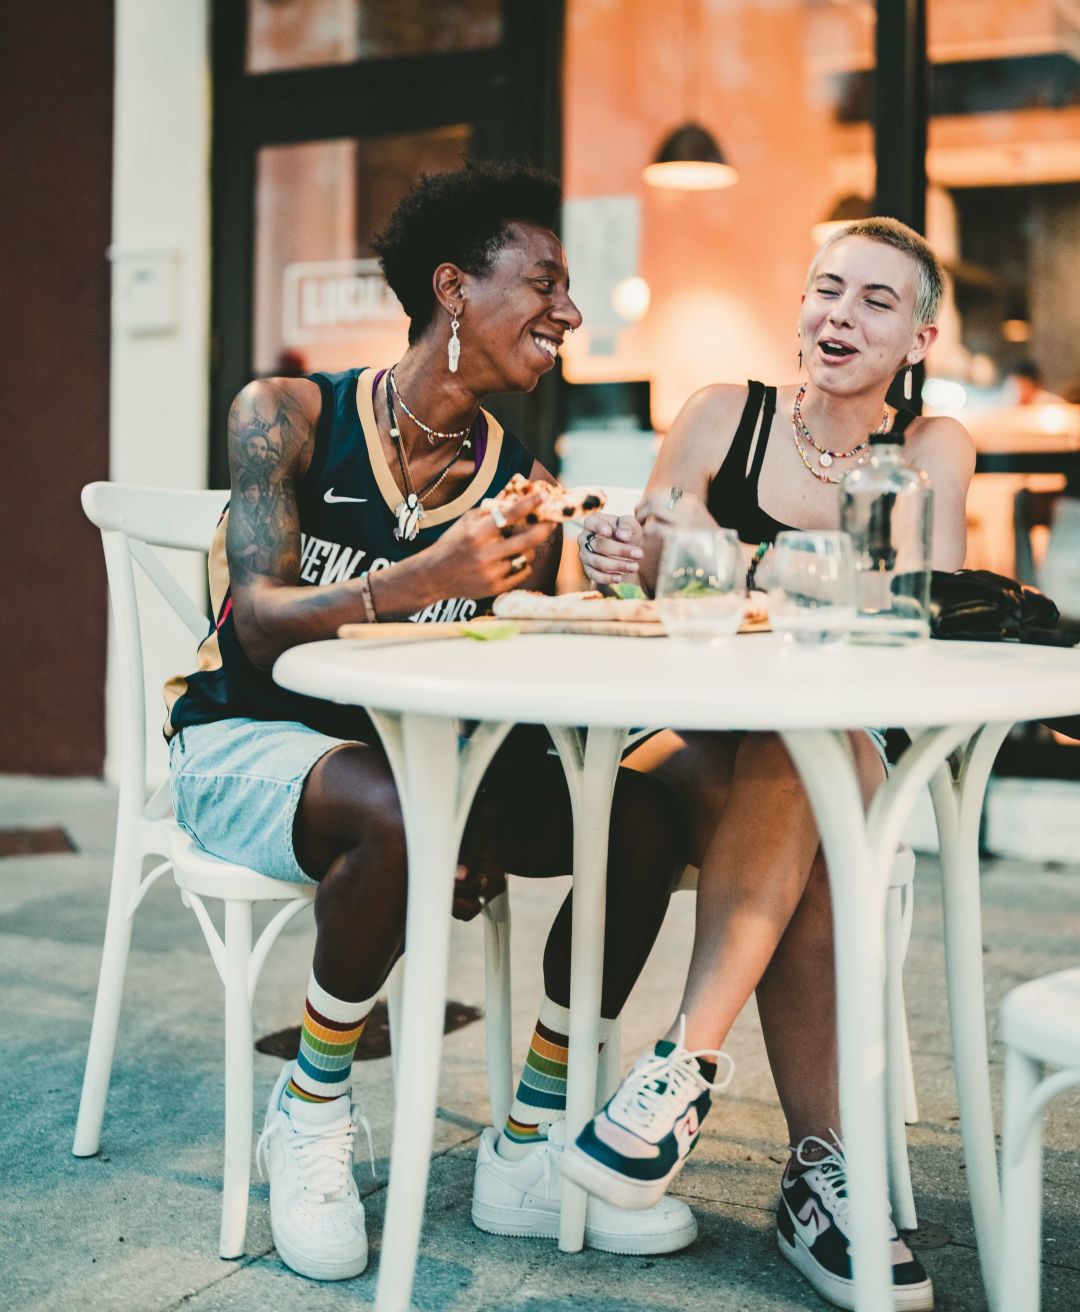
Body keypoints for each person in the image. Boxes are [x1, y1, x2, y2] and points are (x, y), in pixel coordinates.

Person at [164, 162, 697, 1283]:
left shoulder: (518, 484)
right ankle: (310, 1105)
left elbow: (506, 672)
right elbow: (258, 626)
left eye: (569, 287)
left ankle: (529, 1135)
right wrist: (418, 579)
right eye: (543, 281)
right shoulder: (289, 415)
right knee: (400, 807)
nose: (570, 310)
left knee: (640, 818)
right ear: (453, 288)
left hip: (421, 772)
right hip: (248, 749)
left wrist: (599, 579)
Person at [563, 217, 976, 1311]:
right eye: (827, 289)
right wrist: (618, 560)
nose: (840, 313)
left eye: (876, 301)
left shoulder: (932, 448)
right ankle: (821, 1182)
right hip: (695, 738)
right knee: (810, 786)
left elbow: (912, 593)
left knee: (816, 746)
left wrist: (726, 558)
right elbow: (651, 578)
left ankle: (678, 1071)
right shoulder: (720, 417)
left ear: (919, 337)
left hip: (845, 750)